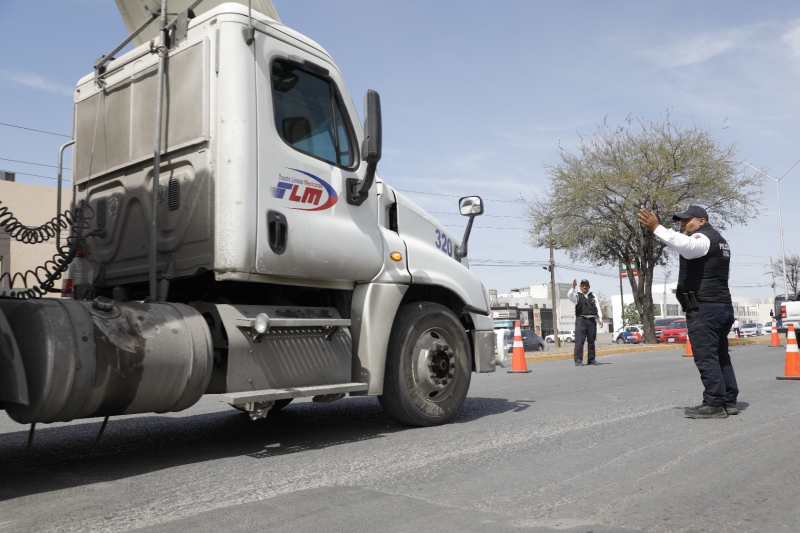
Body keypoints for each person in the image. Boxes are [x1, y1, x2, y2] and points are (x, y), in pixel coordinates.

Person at [638, 205, 738, 419]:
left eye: (687, 220)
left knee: (706, 356)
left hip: (705, 308)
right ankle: (728, 400)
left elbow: (686, 245)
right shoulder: (721, 242)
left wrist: (657, 228)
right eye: (681, 221)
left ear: (702, 221)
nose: (683, 224)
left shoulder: (702, 238)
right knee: (720, 355)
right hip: (721, 305)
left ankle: (714, 403)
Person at [567, 278, 603, 366]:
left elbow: (597, 307)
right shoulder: (577, 295)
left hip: (591, 320)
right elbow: (569, 296)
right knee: (579, 341)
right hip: (581, 320)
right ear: (580, 286)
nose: (584, 287)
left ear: (589, 286)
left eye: (586, 285)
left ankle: (591, 359)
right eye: (582, 285)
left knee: (591, 341)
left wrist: (600, 319)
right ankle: (578, 360)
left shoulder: (593, 295)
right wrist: (573, 287)